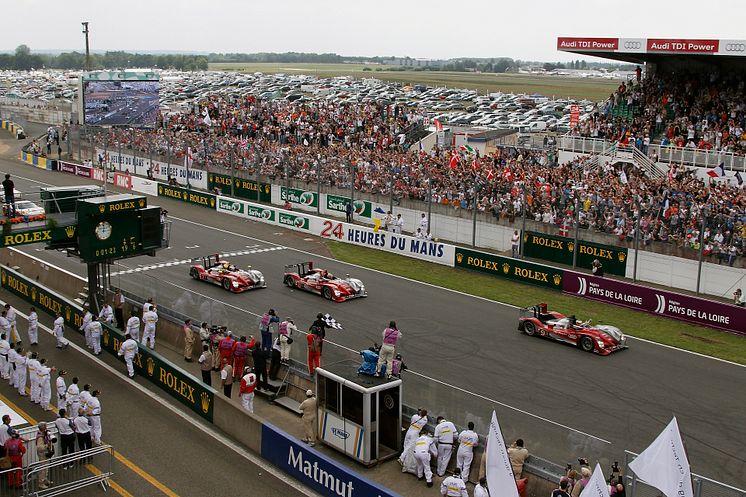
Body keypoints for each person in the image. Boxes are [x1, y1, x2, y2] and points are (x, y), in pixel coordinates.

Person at [35, 423, 55, 489]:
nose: (47, 427)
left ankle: (44, 479)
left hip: (44, 453)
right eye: (46, 426)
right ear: (43, 428)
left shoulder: (43, 434)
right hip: (42, 454)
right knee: (43, 469)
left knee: (45, 468)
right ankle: (41, 483)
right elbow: (39, 448)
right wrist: (47, 445)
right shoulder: (40, 437)